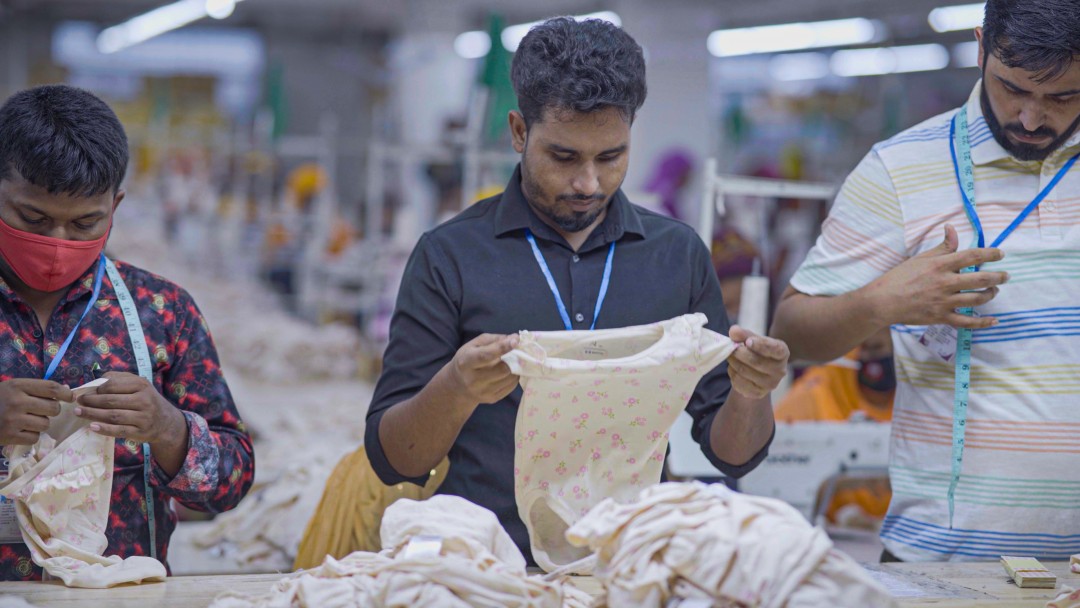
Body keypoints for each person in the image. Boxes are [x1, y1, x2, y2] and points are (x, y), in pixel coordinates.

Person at [365, 17, 788, 563]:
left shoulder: (676, 256)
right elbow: (394, 459)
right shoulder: (451, 255)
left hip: (629, 567)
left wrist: (753, 391)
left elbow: (732, 455)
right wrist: (457, 387)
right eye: (564, 157)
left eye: (610, 157)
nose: (588, 183)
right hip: (485, 566)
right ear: (519, 132)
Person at [771, 0, 1080, 562]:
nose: (1031, 119)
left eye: (1063, 97)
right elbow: (791, 333)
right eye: (1012, 88)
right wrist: (882, 302)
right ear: (981, 47)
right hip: (941, 564)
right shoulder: (899, 168)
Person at [0, 85, 254, 580]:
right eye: (34, 218)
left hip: (119, 593)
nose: (58, 243)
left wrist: (168, 429)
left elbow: (232, 483)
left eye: (85, 223)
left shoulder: (160, 311)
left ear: (115, 206)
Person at [775, 328, 895, 528]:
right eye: (868, 348)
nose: (877, 358)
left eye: (886, 348)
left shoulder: (921, 399)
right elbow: (777, 480)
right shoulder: (810, 399)